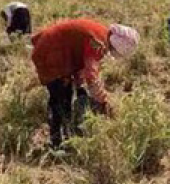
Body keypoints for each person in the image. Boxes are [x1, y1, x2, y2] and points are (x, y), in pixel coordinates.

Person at [31, 19, 140, 149]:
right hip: (51, 53)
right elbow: (91, 75)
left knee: (64, 96)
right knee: (61, 99)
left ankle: (63, 139)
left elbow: (81, 65)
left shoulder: (100, 33)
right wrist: (103, 101)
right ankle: (58, 144)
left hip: (50, 48)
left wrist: (80, 87)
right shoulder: (98, 42)